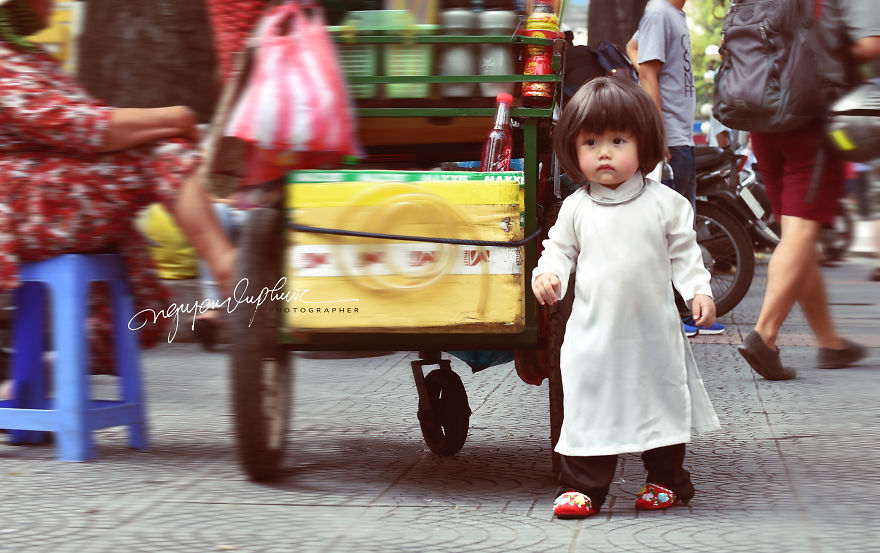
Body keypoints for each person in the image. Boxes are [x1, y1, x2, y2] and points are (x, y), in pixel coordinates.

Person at [0, 0, 237, 367]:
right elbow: (82, 126)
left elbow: (89, 126)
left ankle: (38, 379)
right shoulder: (5, 63)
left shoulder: (28, 56)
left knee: (149, 314)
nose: (52, 4)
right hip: (26, 213)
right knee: (161, 151)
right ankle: (224, 263)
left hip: (61, 203)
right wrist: (175, 118)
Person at [532, 77, 720, 519]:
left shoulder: (666, 204)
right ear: (573, 151)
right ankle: (582, 486)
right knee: (590, 402)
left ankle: (665, 479)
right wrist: (548, 276)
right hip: (593, 334)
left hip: (652, 332)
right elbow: (558, 250)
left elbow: (685, 254)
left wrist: (698, 291)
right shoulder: (575, 207)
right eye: (591, 141)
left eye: (618, 140)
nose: (604, 152)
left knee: (660, 398)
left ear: (644, 143)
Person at [736, 0, 880, 380]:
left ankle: (830, 342)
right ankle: (764, 337)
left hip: (760, 111)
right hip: (810, 116)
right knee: (801, 232)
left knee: (798, 234)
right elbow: (870, 44)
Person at [626, 2, 726, 336]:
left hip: (680, 136)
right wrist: (659, 133)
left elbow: (633, 47)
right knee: (672, 229)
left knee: (677, 227)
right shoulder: (659, 12)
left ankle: (681, 312)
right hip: (672, 139)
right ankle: (675, 314)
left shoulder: (668, 15)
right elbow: (647, 72)